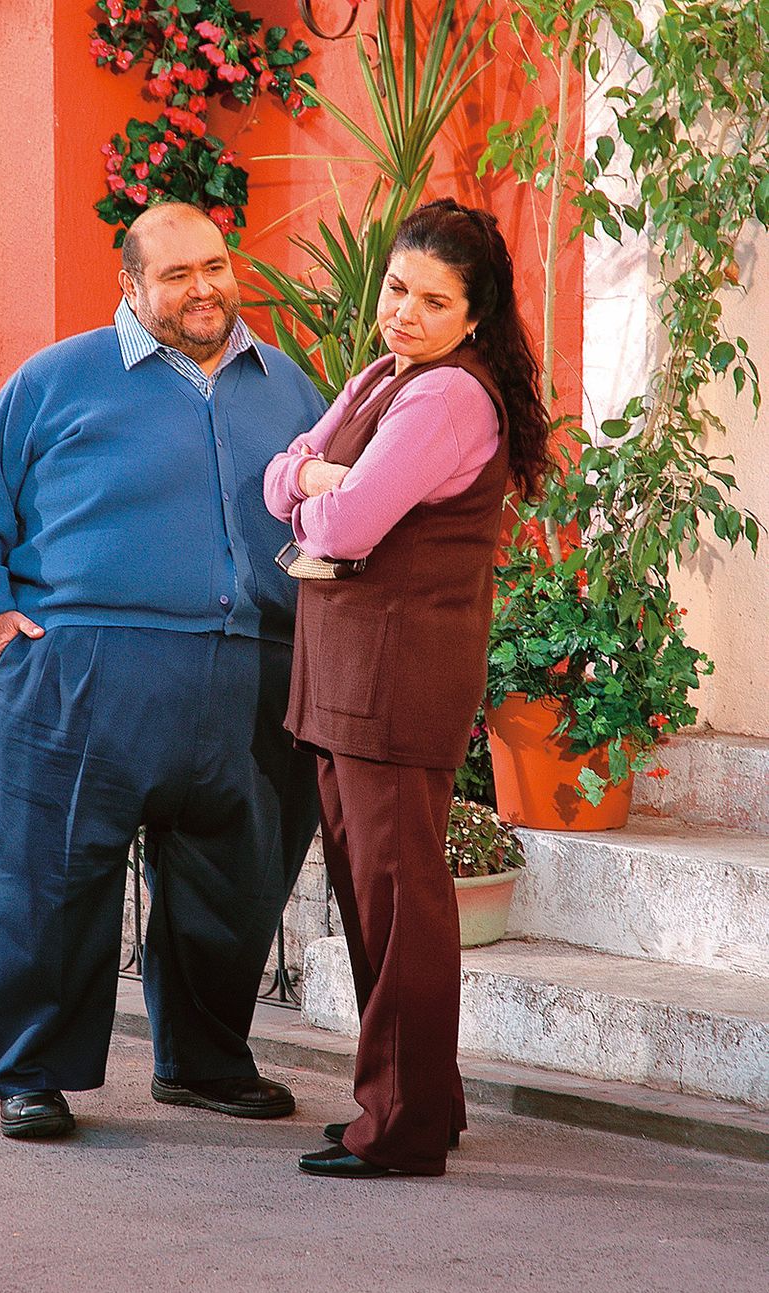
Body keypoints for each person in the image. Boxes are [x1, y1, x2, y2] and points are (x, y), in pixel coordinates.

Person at [0, 201, 328, 1140]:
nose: (205, 288)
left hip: (252, 675)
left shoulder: (288, 386)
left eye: (216, 266)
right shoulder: (59, 377)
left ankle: (201, 1063)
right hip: (84, 673)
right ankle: (34, 1073)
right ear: (131, 286)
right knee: (56, 882)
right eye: (177, 275)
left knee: (236, 886)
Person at [264, 198, 551, 1178]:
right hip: (353, 678)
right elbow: (281, 477)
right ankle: (409, 1101)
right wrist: (315, 478)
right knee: (376, 898)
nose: (403, 312)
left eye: (433, 301)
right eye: (396, 287)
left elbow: (340, 527)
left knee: (398, 901)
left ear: (474, 316)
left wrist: (316, 484)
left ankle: (402, 1125)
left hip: (391, 680)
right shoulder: (387, 376)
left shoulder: (441, 398)